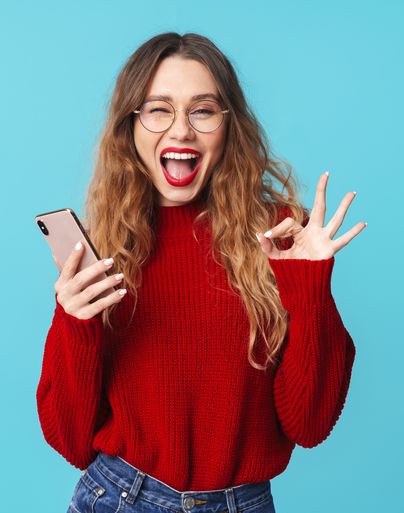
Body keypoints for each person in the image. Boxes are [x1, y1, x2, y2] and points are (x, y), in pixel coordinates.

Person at [36, 32, 365, 513]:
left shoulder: (279, 237)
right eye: (158, 109)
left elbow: (310, 426)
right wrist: (76, 325)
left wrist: (311, 285)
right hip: (119, 497)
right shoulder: (105, 246)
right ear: (131, 125)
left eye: (203, 110)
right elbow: (71, 443)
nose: (181, 130)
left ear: (229, 125)